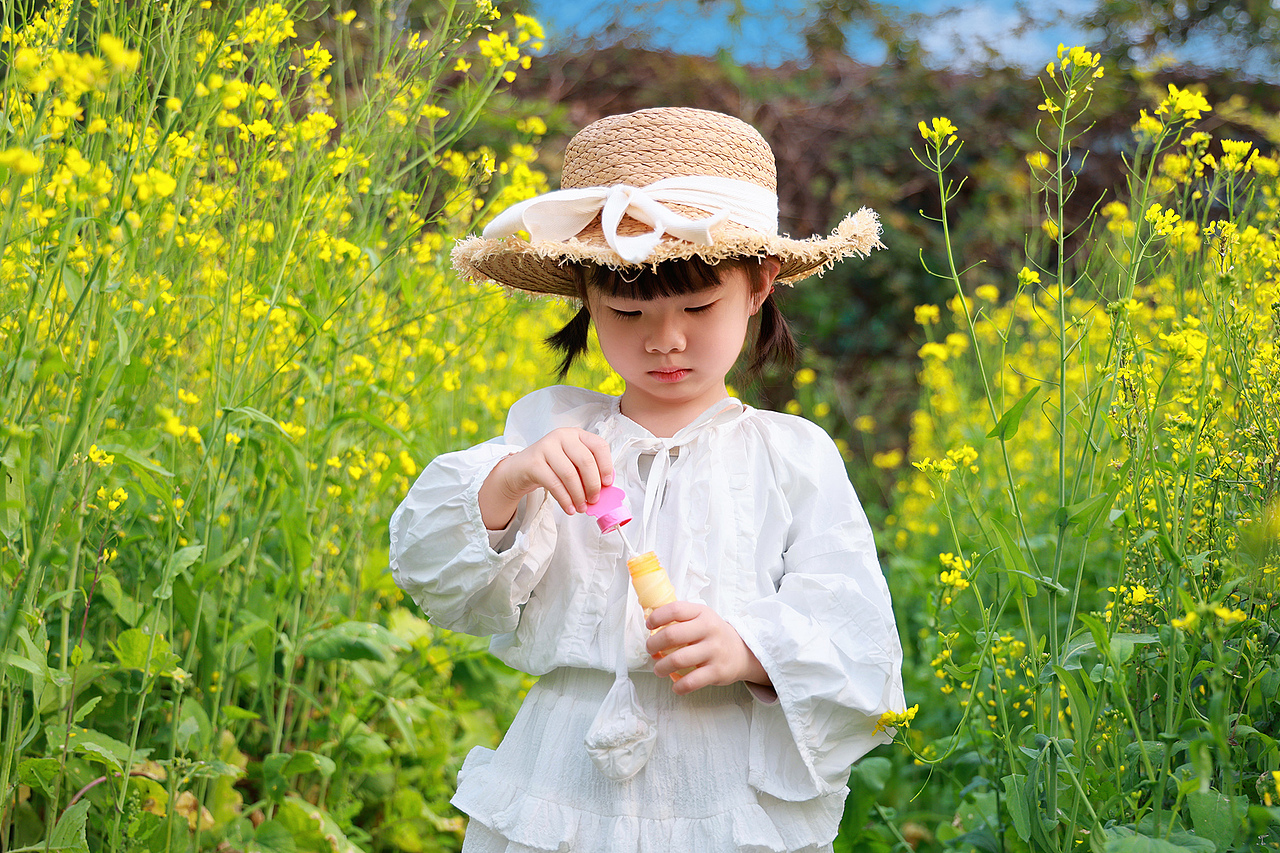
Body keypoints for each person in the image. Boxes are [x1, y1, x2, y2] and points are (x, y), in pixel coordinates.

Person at [390, 107, 906, 853]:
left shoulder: (793, 455)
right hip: (561, 780)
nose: (665, 340)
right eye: (627, 312)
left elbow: (859, 639)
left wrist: (750, 651)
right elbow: (435, 573)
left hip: (723, 785)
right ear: (585, 297)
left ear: (760, 284)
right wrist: (510, 481)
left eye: (699, 306)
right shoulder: (551, 431)